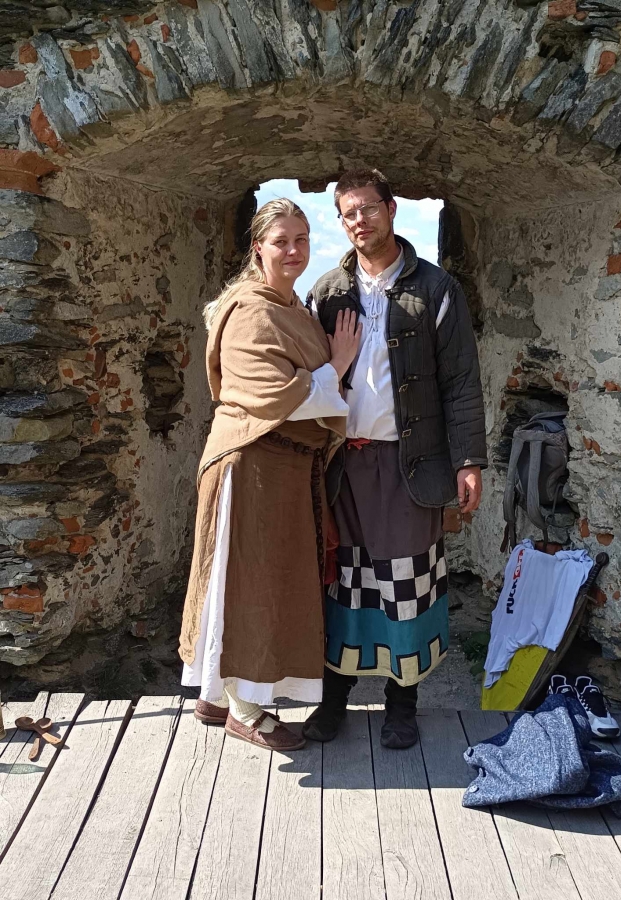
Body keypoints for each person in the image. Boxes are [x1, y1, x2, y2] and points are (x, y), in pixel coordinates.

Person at [303, 169, 487, 750]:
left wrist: (469, 461)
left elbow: (461, 382)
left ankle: (401, 705)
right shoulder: (327, 292)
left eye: (368, 208)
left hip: (411, 465)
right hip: (343, 468)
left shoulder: (436, 289)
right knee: (342, 583)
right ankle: (333, 699)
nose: (360, 220)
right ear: (341, 222)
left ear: (391, 209)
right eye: (349, 213)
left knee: (404, 585)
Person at [179, 198, 361, 751]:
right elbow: (280, 395)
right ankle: (246, 712)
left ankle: (216, 694)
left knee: (256, 583)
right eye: (281, 241)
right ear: (258, 247)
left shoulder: (292, 307)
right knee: (249, 587)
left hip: (281, 467)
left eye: (301, 240)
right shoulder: (250, 311)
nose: (293, 251)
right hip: (251, 463)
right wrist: (338, 364)